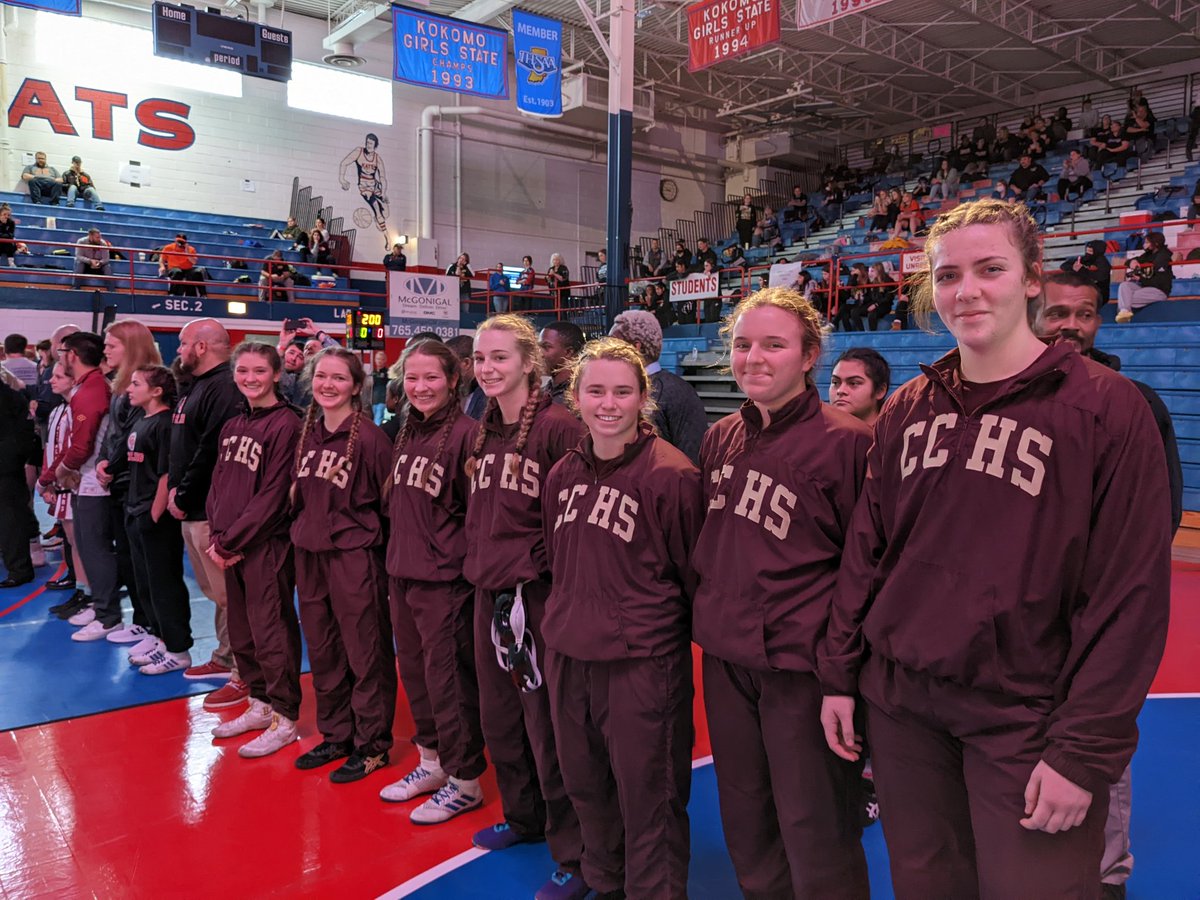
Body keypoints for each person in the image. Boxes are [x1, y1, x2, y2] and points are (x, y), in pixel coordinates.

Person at [818, 200, 1172, 900]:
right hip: (904, 708)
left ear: (1031, 279)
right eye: (948, 275)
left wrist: (1084, 751)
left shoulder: (1108, 407)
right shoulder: (909, 406)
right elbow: (869, 552)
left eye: (990, 269)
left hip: (1028, 719)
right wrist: (839, 674)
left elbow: (1129, 592)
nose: (966, 291)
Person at [693, 287, 873, 899]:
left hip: (803, 662)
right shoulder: (720, 437)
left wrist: (842, 675)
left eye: (774, 344)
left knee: (815, 820)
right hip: (726, 655)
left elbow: (865, 569)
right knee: (745, 812)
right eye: (743, 345)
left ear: (809, 357)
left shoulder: (849, 443)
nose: (754, 358)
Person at [542, 337, 703, 897]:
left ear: (643, 399)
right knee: (585, 786)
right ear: (576, 396)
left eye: (622, 391)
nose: (608, 403)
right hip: (568, 652)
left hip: (641, 662)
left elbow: (690, 574)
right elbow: (557, 559)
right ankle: (606, 882)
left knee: (650, 797)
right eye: (595, 391)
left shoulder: (673, 476)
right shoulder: (562, 473)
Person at [463, 314, 587, 900]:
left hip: (532, 597)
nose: (487, 368)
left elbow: (571, 521)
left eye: (500, 358)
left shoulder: (561, 427)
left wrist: (536, 573)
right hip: (487, 590)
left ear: (530, 363)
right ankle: (523, 817)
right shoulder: (482, 426)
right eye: (481, 358)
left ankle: (576, 854)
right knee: (501, 718)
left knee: (548, 728)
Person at [379, 340, 487, 823]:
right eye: (413, 378)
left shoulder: (469, 434)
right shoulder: (406, 432)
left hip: (445, 582)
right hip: (403, 574)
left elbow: (477, 517)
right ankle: (432, 763)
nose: (421, 387)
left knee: (450, 684)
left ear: (453, 380)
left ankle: (465, 780)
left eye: (432, 378)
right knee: (417, 678)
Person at [290, 348, 397, 783]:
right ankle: (337, 734)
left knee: (364, 652)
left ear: (356, 386)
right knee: (324, 650)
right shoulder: (308, 433)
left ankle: (373, 745)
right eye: (321, 376)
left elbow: (389, 507)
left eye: (338, 378)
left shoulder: (371, 439)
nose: (327, 385)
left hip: (355, 557)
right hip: (310, 555)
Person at [206, 343, 304, 757]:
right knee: (244, 632)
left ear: (277, 374)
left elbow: (274, 495)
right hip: (230, 547)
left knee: (272, 632)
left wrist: (231, 540)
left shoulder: (287, 425)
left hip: (266, 545)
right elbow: (218, 485)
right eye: (242, 370)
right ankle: (260, 704)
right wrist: (217, 535)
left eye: (259, 370)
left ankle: (285, 717)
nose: (250, 378)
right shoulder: (232, 425)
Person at [167, 319, 246, 708]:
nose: (178, 350)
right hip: (191, 506)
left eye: (183, 343)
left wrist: (183, 492)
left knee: (231, 594)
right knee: (217, 593)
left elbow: (211, 450)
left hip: (209, 508)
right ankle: (224, 655)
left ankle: (242, 669)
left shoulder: (224, 388)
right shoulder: (195, 386)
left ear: (201, 346)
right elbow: (182, 444)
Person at [38, 332, 121, 640]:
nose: (59, 360)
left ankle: (107, 614)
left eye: (62, 354)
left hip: (93, 484)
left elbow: (80, 446)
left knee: (94, 548)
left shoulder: (91, 390)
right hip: (84, 480)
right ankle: (102, 608)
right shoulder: (89, 387)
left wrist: (55, 474)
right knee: (86, 546)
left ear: (71, 355)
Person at [121, 365, 192, 674]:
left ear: (157, 391)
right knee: (145, 583)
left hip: (154, 516)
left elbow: (166, 472)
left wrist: (154, 513)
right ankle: (159, 637)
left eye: (136, 383)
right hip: (135, 510)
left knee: (164, 583)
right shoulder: (140, 419)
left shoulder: (165, 425)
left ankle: (178, 649)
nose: (129, 388)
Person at [96, 321, 161, 646]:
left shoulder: (148, 383)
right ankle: (141, 619)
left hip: (139, 484)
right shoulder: (120, 384)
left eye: (111, 345)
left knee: (146, 564)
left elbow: (133, 435)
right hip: (121, 481)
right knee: (129, 559)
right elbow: (113, 435)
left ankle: (154, 625)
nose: (105, 350)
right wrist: (104, 463)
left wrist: (110, 463)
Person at [609, 310, 707, 466]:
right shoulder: (609, 392)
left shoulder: (678, 393)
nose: (607, 352)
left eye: (614, 344)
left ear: (636, 347)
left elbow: (693, 458)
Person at [0, 378, 39, 588]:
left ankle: (20, 568)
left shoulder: (10, 398)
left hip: (6, 469)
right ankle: (19, 566)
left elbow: (22, 437)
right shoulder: (13, 396)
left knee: (11, 519)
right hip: (10, 466)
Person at [339, 133, 389, 247]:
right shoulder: (359, 152)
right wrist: (342, 179)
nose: (368, 145)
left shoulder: (377, 159)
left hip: (374, 185)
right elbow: (344, 163)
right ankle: (387, 238)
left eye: (371, 143)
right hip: (364, 187)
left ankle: (379, 220)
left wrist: (384, 193)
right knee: (377, 208)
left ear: (375, 145)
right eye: (367, 143)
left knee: (385, 211)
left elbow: (383, 178)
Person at [1116, 231, 1172, 322]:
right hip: (1144, 286)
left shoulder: (1163, 257)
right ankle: (1124, 313)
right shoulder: (1147, 255)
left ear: (1156, 243)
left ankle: (1124, 312)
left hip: (1158, 291)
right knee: (1124, 285)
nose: (1144, 245)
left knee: (1126, 298)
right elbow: (1130, 261)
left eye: (1146, 242)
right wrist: (1132, 262)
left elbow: (1159, 282)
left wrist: (1140, 278)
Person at [829, 347, 890, 427]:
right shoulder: (821, 433)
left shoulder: (893, 436)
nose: (840, 391)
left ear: (880, 391)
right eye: (835, 382)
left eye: (853, 383)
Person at [539, 321, 585, 407]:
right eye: (539, 347)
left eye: (546, 347)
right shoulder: (544, 391)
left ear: (568, 352)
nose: (540, 354)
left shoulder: (578, 396)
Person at [445, 335, 487, 420]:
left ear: (466, 363)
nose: (445, 373)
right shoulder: (456, 394)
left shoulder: (487, 397)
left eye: (449, 367)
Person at [1060, 240, 1112, 306]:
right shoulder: (1084, 259)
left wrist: (1082, 270)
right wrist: (1074, 267)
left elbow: (1100, 276)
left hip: (1099, 294)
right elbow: (1063, 266)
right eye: (1087, 250)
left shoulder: (1103, 263)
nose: (1088, 253)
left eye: (1090, 251)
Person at [158, 233, 205, 297]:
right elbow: (162, 259)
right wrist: (162, 266)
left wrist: (187, 253)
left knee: (197, 273)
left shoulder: (191, 249)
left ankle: (203, 294)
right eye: (178, 241)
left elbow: (194, 262)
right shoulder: (168, 247)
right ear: (175, 240)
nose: (179, 243)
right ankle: (173, 293)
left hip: (187, 269)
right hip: (174, 268)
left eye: (182, 242)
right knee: (177, 272)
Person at [369, 350, 389, 425]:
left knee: (378, 419)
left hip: (383, 400)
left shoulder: (388, 373)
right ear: (375, 360)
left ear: (385, 360)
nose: (380, 361)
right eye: (378, 359)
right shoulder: (373, 373)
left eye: (382, 359)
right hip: (373, 400)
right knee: (374, 419)